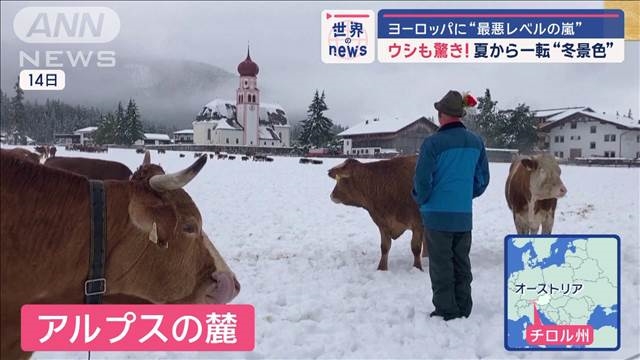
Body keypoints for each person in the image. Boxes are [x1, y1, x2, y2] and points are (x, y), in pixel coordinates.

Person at [412, 90, 490, 321]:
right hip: (463, 216)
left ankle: (447, 310)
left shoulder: (432, 143)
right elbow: (482, 179)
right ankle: (464, 306)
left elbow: (422, 180)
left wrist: (421, 198)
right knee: (461, 263)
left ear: (442, 115)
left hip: (436, 216)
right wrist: (465, 195)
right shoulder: (476, 142)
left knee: (441, 265)